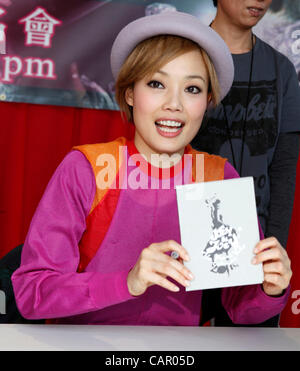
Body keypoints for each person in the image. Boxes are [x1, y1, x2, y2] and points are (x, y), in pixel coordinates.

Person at [11, 11, 291, 326]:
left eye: (192, 89)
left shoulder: (217, 176)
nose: (174, 103)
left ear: (208, 101)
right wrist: (127, 282)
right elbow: (31, 293)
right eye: (157, 83)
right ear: (130, 93)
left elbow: (241, 309)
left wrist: (270, 288)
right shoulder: (86, 169)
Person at [191, 0, 300, 327]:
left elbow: (284, 169)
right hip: (182, 243)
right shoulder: (181, 58)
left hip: (255, 247)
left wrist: (274, 249)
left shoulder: (282, 70)